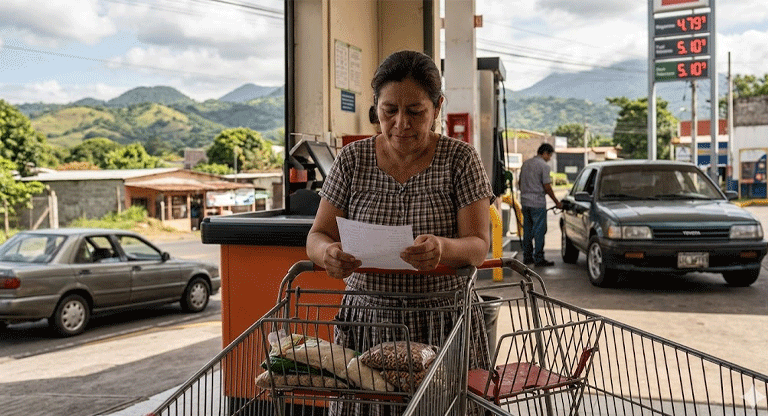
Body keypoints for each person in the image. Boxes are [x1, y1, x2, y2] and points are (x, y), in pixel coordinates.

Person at [306, 50, 494, 415]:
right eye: (389, 111)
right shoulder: (352, 159)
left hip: (441, 323)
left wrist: (443, 247)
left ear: (437, 107)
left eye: (415, 112)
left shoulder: (460, 159)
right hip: (367, 323)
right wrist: (327, 254)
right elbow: (318, 234)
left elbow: (478, 247)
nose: (401, 124)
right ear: (374, 106)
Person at [518, 142, 563, 267]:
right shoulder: (544, 166)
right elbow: (547, 186)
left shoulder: (526, 163)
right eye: (549, 156)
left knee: (527, 231)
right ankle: (539, 258)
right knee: (539, 231)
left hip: (525, 202)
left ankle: (527, 257)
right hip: (537, 203)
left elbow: (520, 182)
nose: (549, 159)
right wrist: (557, 202)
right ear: (545, 153)